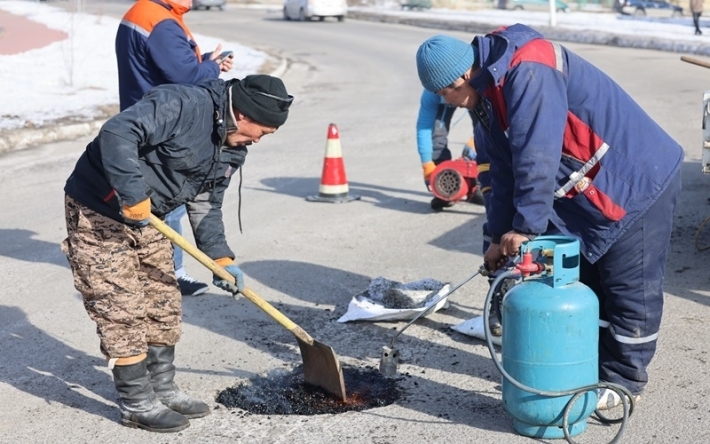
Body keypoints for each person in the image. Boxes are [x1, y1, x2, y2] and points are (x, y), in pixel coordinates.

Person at [415, 26, 683, 411]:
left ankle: (624, 380)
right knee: (589, 288)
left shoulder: (529, 68)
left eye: (446, 93)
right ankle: (590, 368)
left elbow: (534, 155)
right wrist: (495, 236)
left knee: (628, 289)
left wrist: (524, 228)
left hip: (636, 181)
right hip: (590, 193)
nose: (448, 102)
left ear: (463, 75)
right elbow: (498, 171)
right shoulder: (484, 95)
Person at [61, 74, 292, 432]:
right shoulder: (184, 104)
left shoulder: (232, 147)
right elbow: (118, 133)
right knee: (120, 305)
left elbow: (206, 202)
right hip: (100, 208)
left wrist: (220, 258)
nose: (259, 140)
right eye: (263, 131)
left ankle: (163, 388)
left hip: (151, 216)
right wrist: (132, 193)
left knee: (163, 300)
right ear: (245, 114)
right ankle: (136, 403)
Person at [115, 0, 235, 296]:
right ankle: (170, 274)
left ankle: (158, 269)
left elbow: (167, 66)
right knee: (169, 206)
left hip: (148, 115)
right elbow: (184, 78)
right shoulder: (161, 20)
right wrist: (211, 67)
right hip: (163, 124)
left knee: (166, 205)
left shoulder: (149, 13)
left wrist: (206, 60)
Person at [416, 88, 480, 210]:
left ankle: (480, 183)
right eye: (443, 94)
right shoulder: (431, 94)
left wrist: (475, 145)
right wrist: (427, 165)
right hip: (447, 94)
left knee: (483, 131)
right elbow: (424, 129)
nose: (450, 100)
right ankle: (441, 183)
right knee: (436, 134)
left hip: (471, 91)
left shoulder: (474, 84)